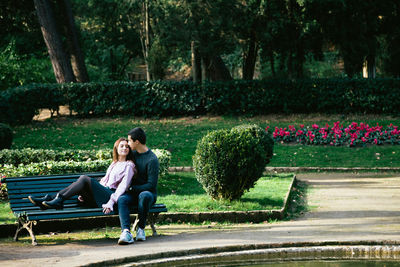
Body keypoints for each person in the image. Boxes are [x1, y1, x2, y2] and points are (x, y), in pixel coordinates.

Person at [28, 138, 136, 220]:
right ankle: (48, 200)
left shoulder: (129, 166)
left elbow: (123, 186)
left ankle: (56, 199)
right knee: (81, 183)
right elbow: (104, 181)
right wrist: (84, 192)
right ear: (116, 149)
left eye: (127, 146)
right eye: (121, 146)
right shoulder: (114, 163)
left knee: (84, 179)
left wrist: (111, 202)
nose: (124, 148)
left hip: (110, 197)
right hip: (102, 194)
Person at [117, 127, 159, 245]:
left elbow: (151, 185)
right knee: (122, 199)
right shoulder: (132, 155)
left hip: (148, 194)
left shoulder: (152, 159)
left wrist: (132, 188)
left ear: (137, 142)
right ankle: (126, 232)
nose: (128, 144)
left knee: (144, 195)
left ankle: (141, 229)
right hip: (132, 194)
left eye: (130, 141)